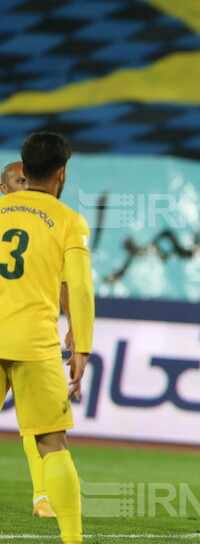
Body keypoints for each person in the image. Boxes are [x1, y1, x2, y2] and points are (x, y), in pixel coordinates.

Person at [0, 132, 95, 544]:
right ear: (61, 173)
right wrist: (84, 345)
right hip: (37, 345)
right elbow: (78, 287)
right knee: (52, 444)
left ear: (23, 166)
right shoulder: (69, 220)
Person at [1, 160, 73, 519]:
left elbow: (65, 282)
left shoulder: (50, 227)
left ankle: (43, 497)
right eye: (18, 180)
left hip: (32, 339)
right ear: (3, 189)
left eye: (29, 180)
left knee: (40, 426)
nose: (25, 185)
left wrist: (76, 324)